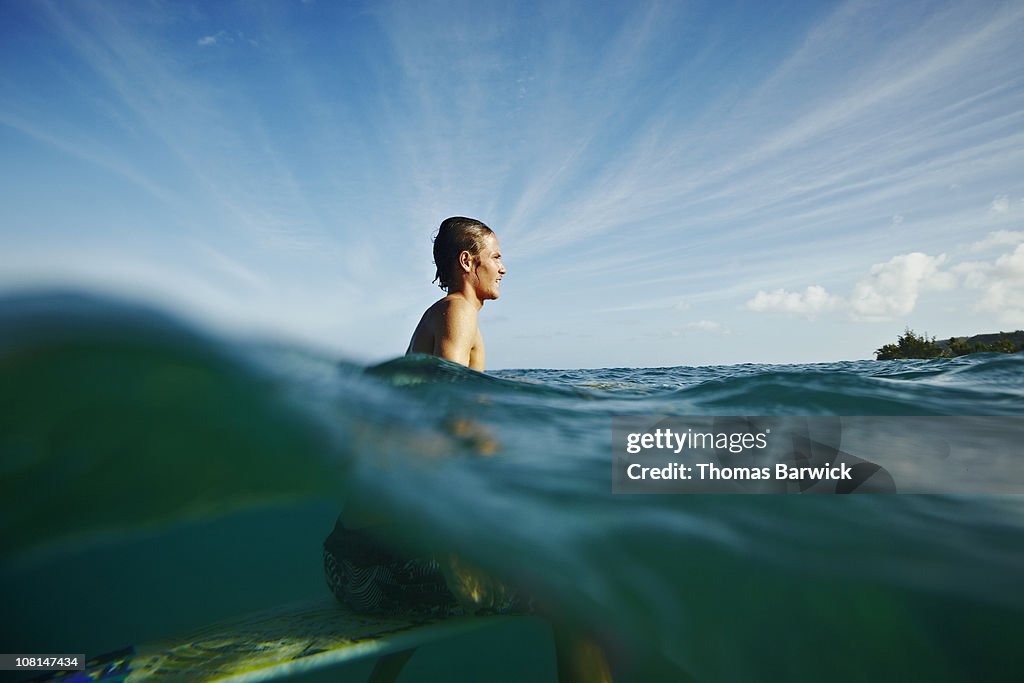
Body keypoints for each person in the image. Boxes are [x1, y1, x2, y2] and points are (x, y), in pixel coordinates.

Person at [406, 216, 505, 371]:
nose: (502, 269)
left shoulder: (450, 310)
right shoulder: (459, 310)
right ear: (466, 261)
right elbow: (450, 388)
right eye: (495, 258)